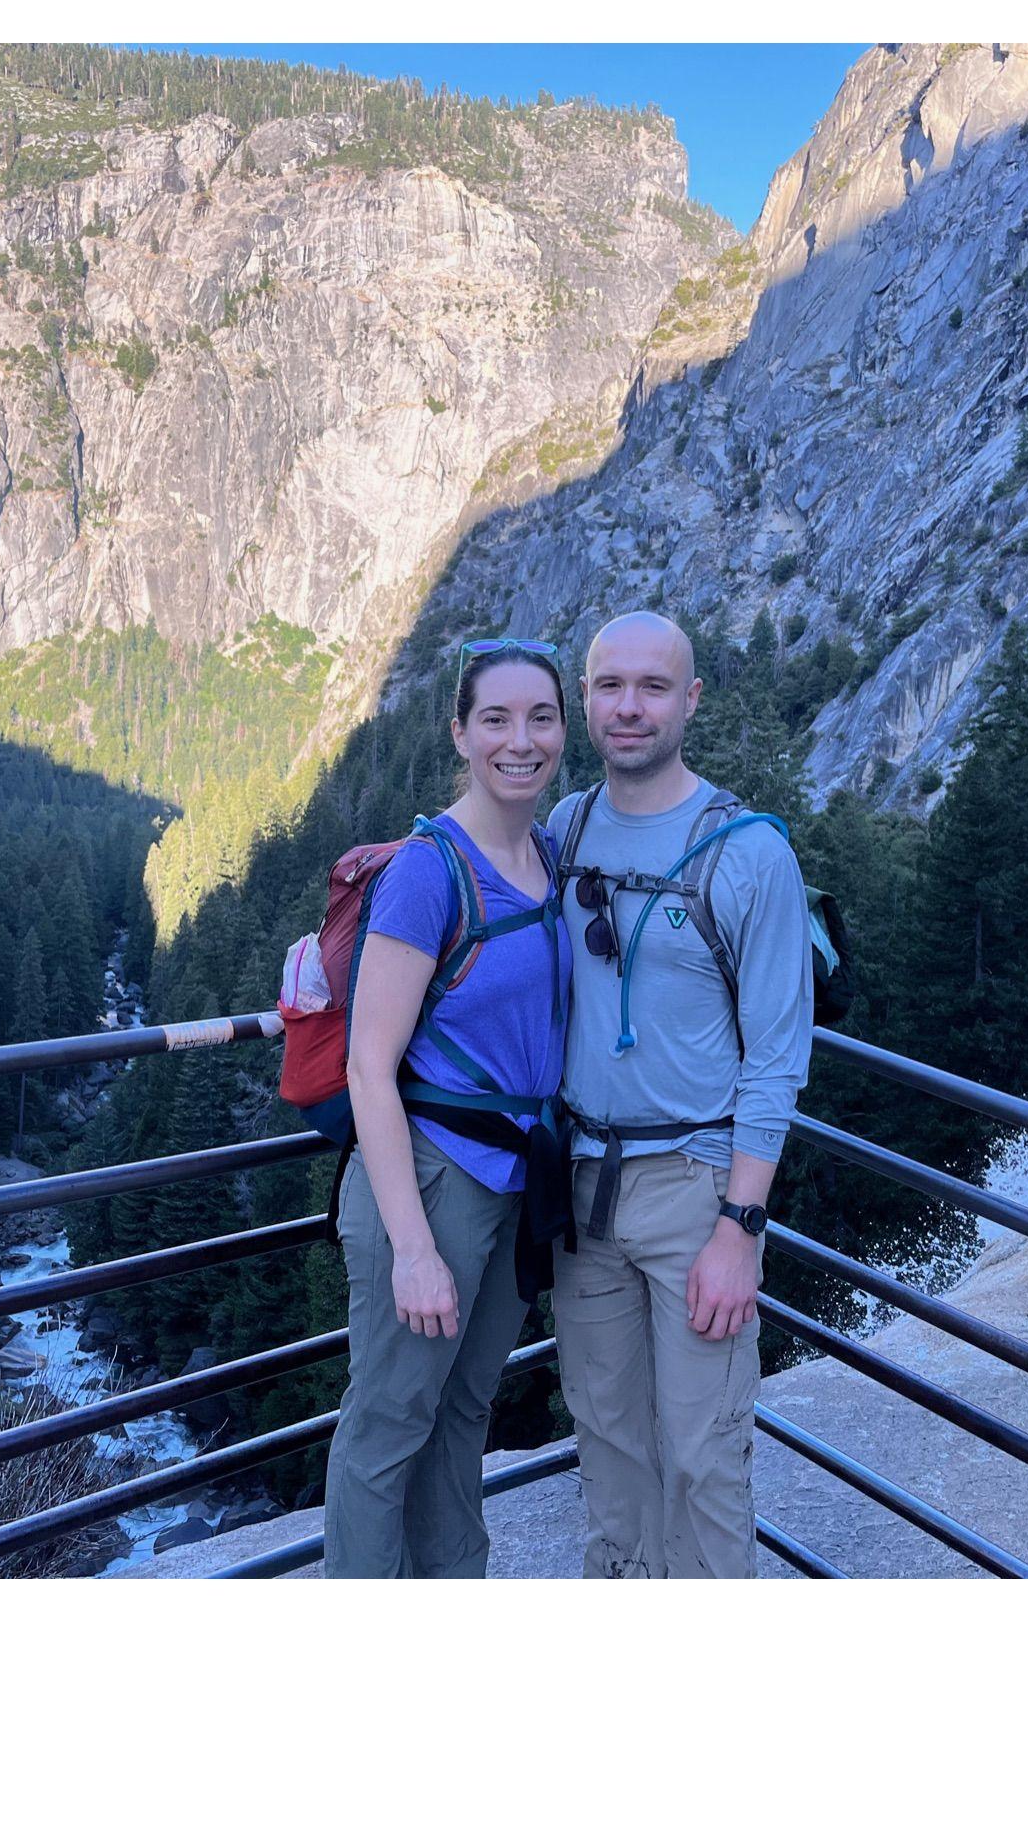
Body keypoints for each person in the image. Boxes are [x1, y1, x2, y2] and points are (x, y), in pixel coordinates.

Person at [546, 611, 814, 1578]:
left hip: (697, 1192)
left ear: (689, 700)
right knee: (607, 1445)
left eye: (652, 687)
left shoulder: (748, 853)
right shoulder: (564, 828)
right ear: (586, 698)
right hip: (580, 1194)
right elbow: (470, 914)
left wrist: (740, 1229)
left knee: (704, 1459)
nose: (629, 706)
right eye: (609, 685)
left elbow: (777, 1057)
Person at [322, 639, 574, 1577]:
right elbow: (367, 1068)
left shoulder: (547, 854)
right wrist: (415, 1249)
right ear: (460, 732)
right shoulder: (431, 871)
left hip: (514, 1186)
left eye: (540, 717)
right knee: (388, 1427)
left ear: (562, 729)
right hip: (429, 1184)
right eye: (497, 719)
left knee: (461, 1414)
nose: (521, 740)